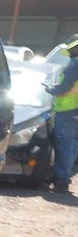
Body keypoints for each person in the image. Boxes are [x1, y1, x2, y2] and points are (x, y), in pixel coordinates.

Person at [44, 37, 78, 193]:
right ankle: (63, 175)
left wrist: (51, 89)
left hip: (68, 111)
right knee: (71, 145)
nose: (70, 54)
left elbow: (64, 88)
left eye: (71, 51)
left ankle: (61, 180)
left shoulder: (75, 64)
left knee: (64, 145)